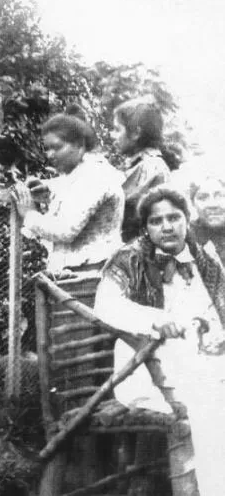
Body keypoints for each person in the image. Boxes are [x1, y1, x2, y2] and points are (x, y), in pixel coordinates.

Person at [95, 186, 225, 494]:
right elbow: (106, 306)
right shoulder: (130, 259)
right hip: (145, 369)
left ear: (186, 219)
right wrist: (154, 319)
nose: (166, 226)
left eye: (174, 217)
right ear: (145, 226)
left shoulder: (201, 257)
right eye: (156, 221)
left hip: (201, 361)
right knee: (209, 406)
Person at [12, 111, 125, 277]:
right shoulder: (78, 172)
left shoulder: (95, 175)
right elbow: (67, 188)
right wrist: (47, 189)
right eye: (47, 149)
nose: (50, 155)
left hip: (94, 274)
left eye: (57, 147)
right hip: (80, 272)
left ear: (79, 145)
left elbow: (65, 230)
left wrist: (29, 214)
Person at [112, 98, 174, 242]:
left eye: (117, 129)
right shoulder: (141, 163)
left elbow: (116, 199)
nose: (112, 135)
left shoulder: (151, 165)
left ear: (135, 133)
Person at [191, 176, 225, 267]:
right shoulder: (186, 238)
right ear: (193, 203)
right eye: (202, 198)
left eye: (220, 196)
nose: (212, 204)